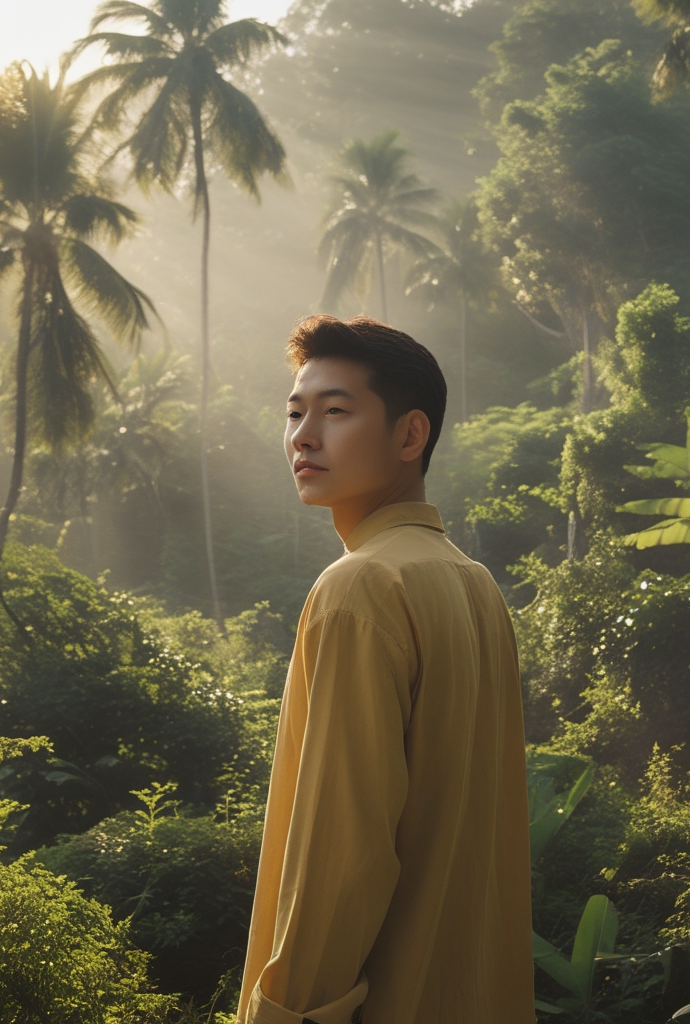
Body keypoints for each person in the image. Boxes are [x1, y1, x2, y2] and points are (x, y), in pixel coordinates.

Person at [237, 315, 533, 1024]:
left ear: (410, 435)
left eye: (336, 412)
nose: (304, 436)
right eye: (295, 413)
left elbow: (342, 856)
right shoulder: (475, 584)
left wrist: (284, 1014)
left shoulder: (360, 588)